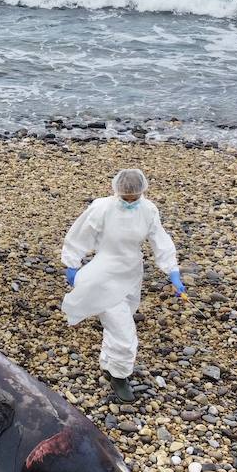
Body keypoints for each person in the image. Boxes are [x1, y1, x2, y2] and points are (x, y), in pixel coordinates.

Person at [60, 168, 186, 402]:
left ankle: (109, 364)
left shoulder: (148, 210)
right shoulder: (102, 208)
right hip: (104, 274)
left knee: (122, 317)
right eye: (125, 198)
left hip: (131, 273)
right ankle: (120, 377)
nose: (130, 202)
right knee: (124, 331)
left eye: (134, 198)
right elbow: (80, 234)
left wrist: (172, 271)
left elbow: (160, 240)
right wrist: (71, 262)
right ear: (116, 192)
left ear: (142, 193)